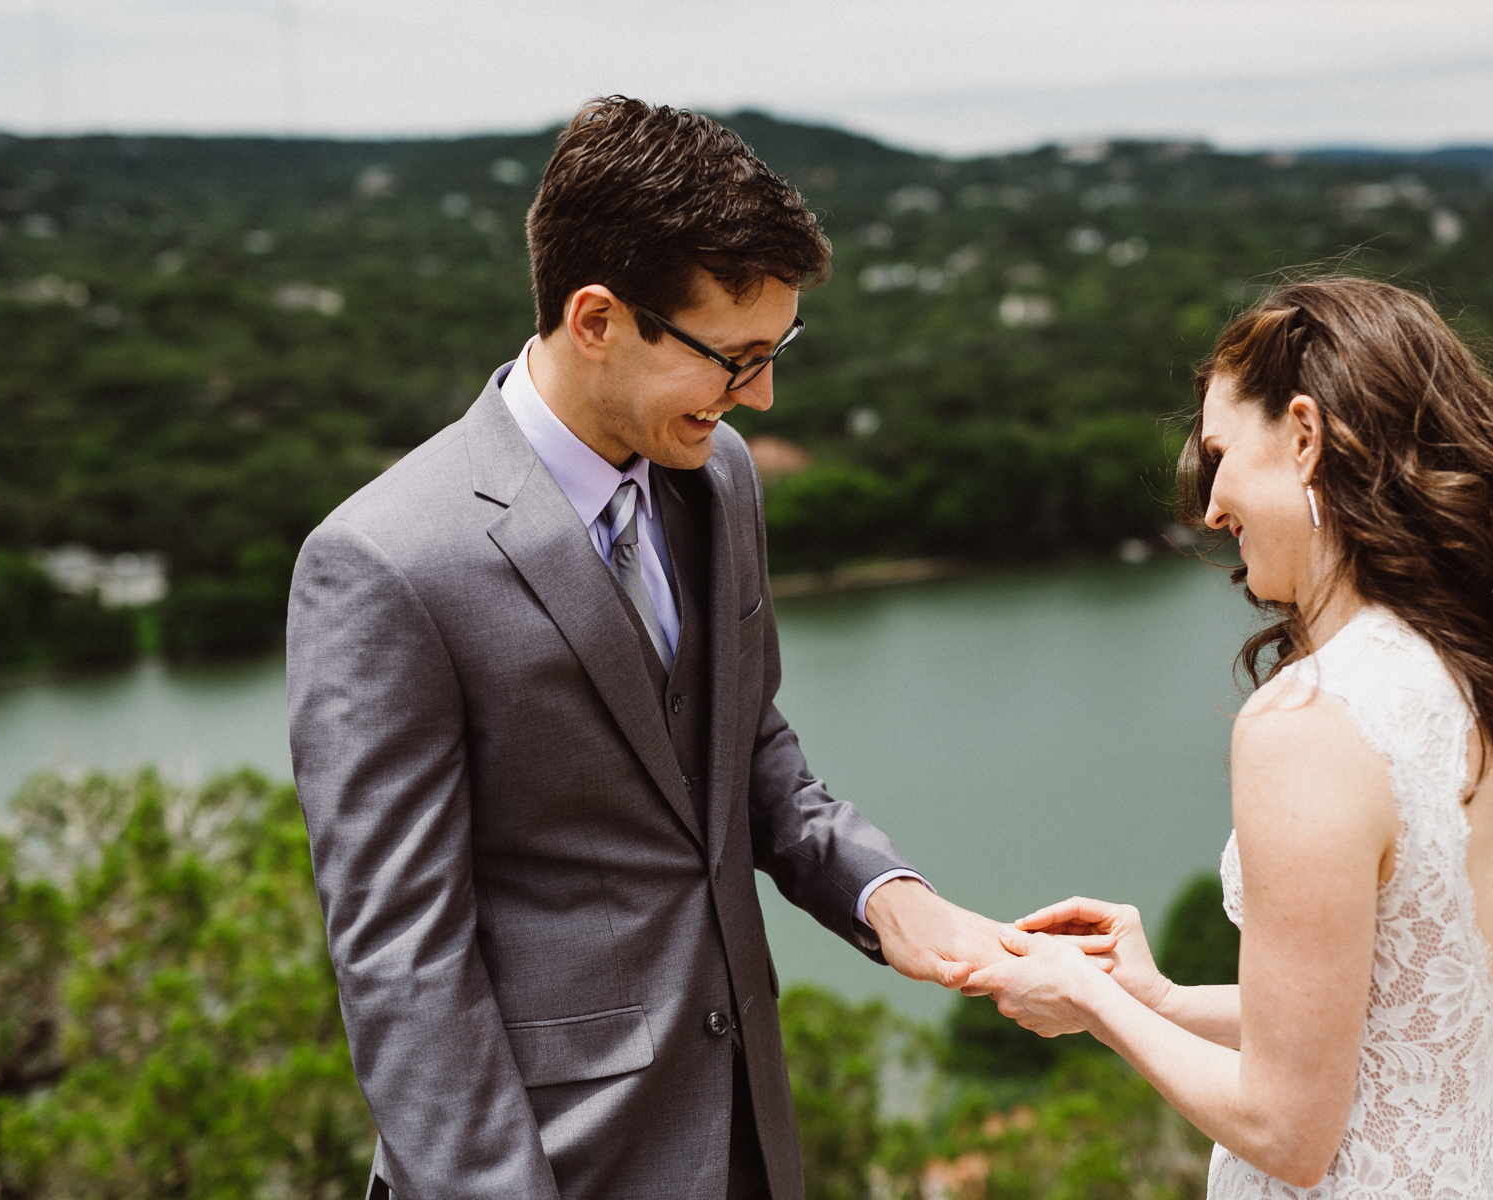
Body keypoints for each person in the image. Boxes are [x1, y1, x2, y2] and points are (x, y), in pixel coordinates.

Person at [286, 96, 1009, 1200]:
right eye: (737, 358)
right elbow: (402, 963)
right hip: (545, 1165)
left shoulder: (717, 479)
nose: (763, 395)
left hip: (744, 1143)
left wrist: (890, 897)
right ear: (595, 320)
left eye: (779, 351)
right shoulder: (384, 563)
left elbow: (746, 746)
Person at [965, 276, 1493, 1197]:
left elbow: (1288, 1131)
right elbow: (1392, 1026)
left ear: (1304, 437)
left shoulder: (1312, 720)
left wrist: (1090, 1000)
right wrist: (1162, 1000)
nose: (1212, 506)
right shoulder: (1473, 681)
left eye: (1219, 454)